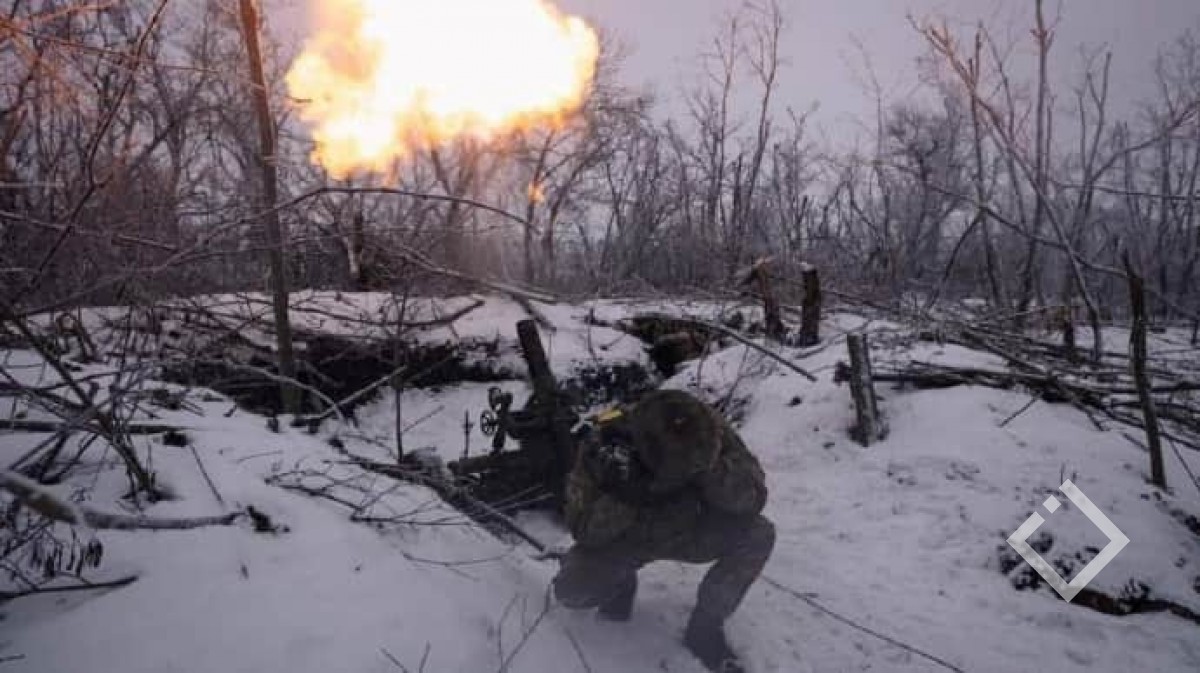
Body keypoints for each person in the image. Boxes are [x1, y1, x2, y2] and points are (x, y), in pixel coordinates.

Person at [552, 389, 775, 673]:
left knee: (757, 535)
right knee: (573, 592)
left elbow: (754, 499)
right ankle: (621, 584)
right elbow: (582, 529)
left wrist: (709, 470)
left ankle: (706, 626)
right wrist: (624, 496)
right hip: (630, 537)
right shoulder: (605, 444)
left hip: (692, 529)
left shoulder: (707, 429)